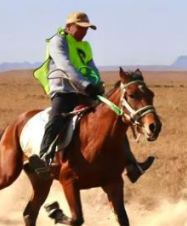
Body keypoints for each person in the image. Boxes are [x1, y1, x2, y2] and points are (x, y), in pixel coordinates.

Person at [31, 12, 152, 181]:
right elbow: (66, 65)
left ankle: (131, 164)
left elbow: (92, 68)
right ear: (68, 27)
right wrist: (85, 84)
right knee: (57, 118)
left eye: (86, 29)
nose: (84, 32)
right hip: (64, 89)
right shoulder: (58, 41)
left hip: (84, 90)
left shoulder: (86, 46)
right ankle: (44, 158)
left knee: (114, 117)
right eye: (80, 28)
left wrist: (97, 84)